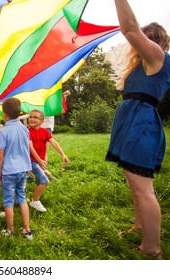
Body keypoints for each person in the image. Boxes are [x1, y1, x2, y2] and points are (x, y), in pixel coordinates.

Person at [105, 0, 169, 259]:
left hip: (141, 125)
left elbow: (130, 29)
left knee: (144, 189)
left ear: (154, 41)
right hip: (133, 123)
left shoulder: (158, 57)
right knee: (136, 185)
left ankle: (152, 247)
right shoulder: (144, 62)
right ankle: (140, 226)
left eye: (145, 38)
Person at [0, 98, 33, 239]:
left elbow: (0, 155)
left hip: (9, 171)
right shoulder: (24, 129)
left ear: (5, 114)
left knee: (8, 201)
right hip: (23, 169)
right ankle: (27, 230)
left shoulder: (3, 131)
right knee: (22, 198)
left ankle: (11, 231)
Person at [27, 110, 69, 212]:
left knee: (37, 180)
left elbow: (53, 142)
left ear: (42, 121)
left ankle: (22, 197)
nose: (32, 119)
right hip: (31, 161)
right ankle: (35, 201)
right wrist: (40, 161)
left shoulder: (44, 131)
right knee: (44, 180)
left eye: (36, 117)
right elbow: (30, 147)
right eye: (31, 116)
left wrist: (62, 154)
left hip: (38, 161)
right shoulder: (27, 131)